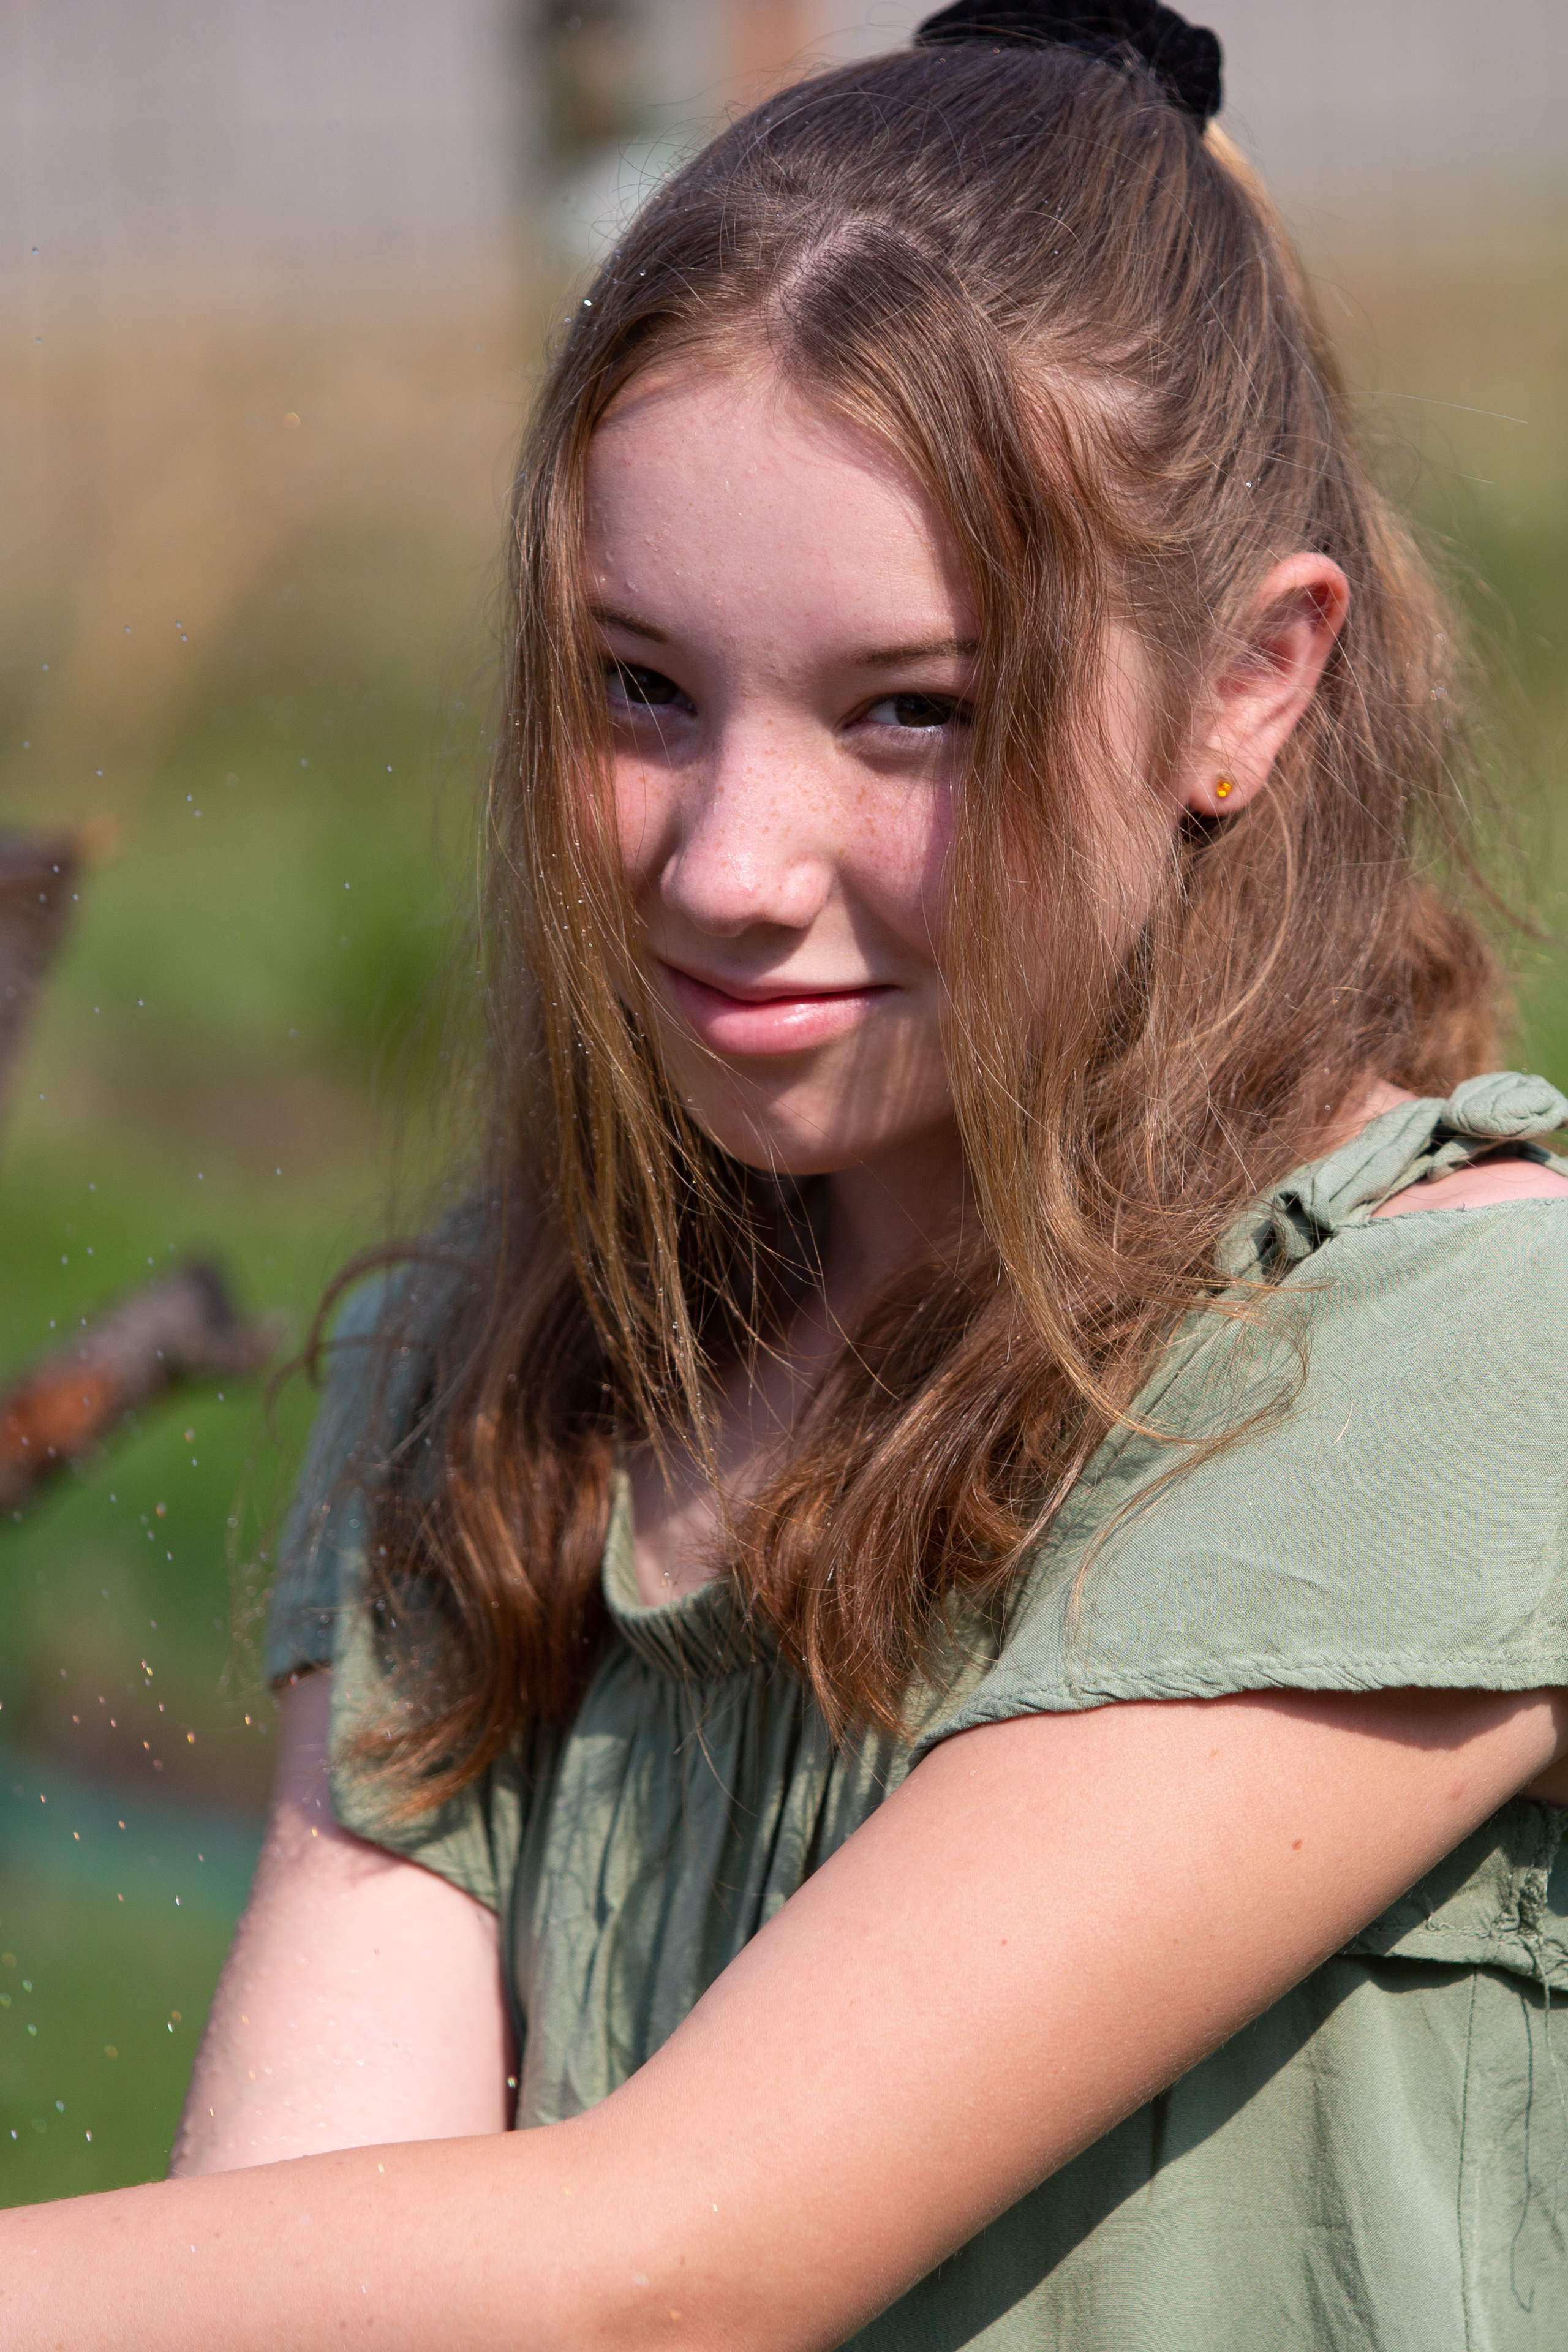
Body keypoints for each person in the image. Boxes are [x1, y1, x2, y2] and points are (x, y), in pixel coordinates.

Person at [5, 4, 1568, 2343]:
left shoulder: (1465, 1374)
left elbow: (676, 2264)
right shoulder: (497, 1389)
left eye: (912, 712)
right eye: (642, 686)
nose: (732, 866)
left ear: (1253, 683)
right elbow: (309, 2266)